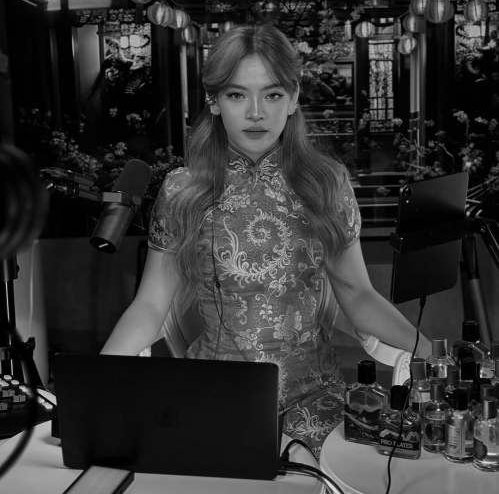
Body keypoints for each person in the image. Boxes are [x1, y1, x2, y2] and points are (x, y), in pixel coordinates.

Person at [101, 23, 431, 457]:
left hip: (314, 399)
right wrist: (96, 381)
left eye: (272, 95)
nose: (256, 112)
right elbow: (149, 306)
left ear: (293, 100)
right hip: (216, 392)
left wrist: (431, 350)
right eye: (237, 95)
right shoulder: (183, 189)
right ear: (214, 101)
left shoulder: (326, 183)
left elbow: (358, 295)